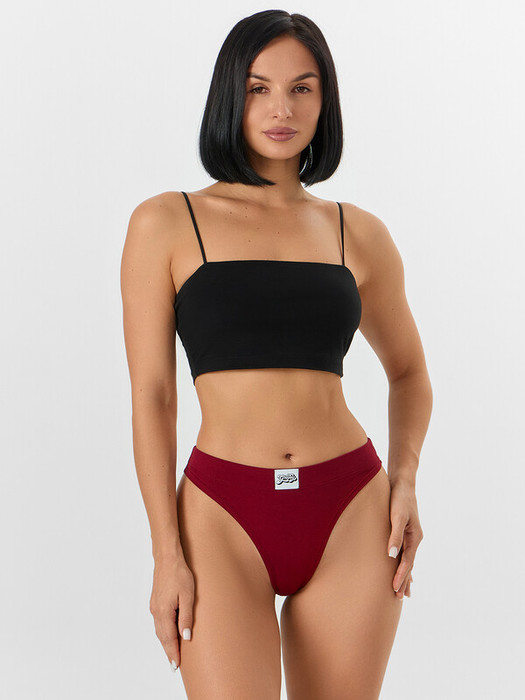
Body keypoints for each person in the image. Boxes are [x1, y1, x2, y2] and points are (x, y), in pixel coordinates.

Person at [120, 9, 432, 699]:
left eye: (302, 88)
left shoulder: (358, 232)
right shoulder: (166, 223)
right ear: (229, 95)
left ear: (325, 101)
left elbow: (410, 373)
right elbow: (153, 396)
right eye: (258, 88)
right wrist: (165, 552)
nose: (281, 109)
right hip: (221, 514)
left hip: (351, 507)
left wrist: (405, 480)